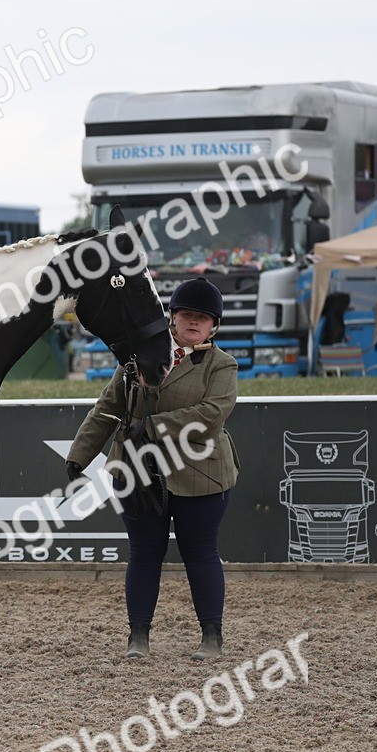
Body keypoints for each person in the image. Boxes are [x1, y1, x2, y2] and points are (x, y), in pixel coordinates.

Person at [66, 277, 239, 661]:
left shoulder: (223, 365)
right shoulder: (135, 358)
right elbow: (109, 405)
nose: (194, 322)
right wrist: (82, 451)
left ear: (214, 325)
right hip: (137, 470)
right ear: (171, 318)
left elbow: (211, 416)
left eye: (203, 317)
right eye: (187, 314)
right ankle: (138, 638)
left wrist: (156, 427)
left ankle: (212, 637)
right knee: (144, 553)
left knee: (201, 553)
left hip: (202, 473)